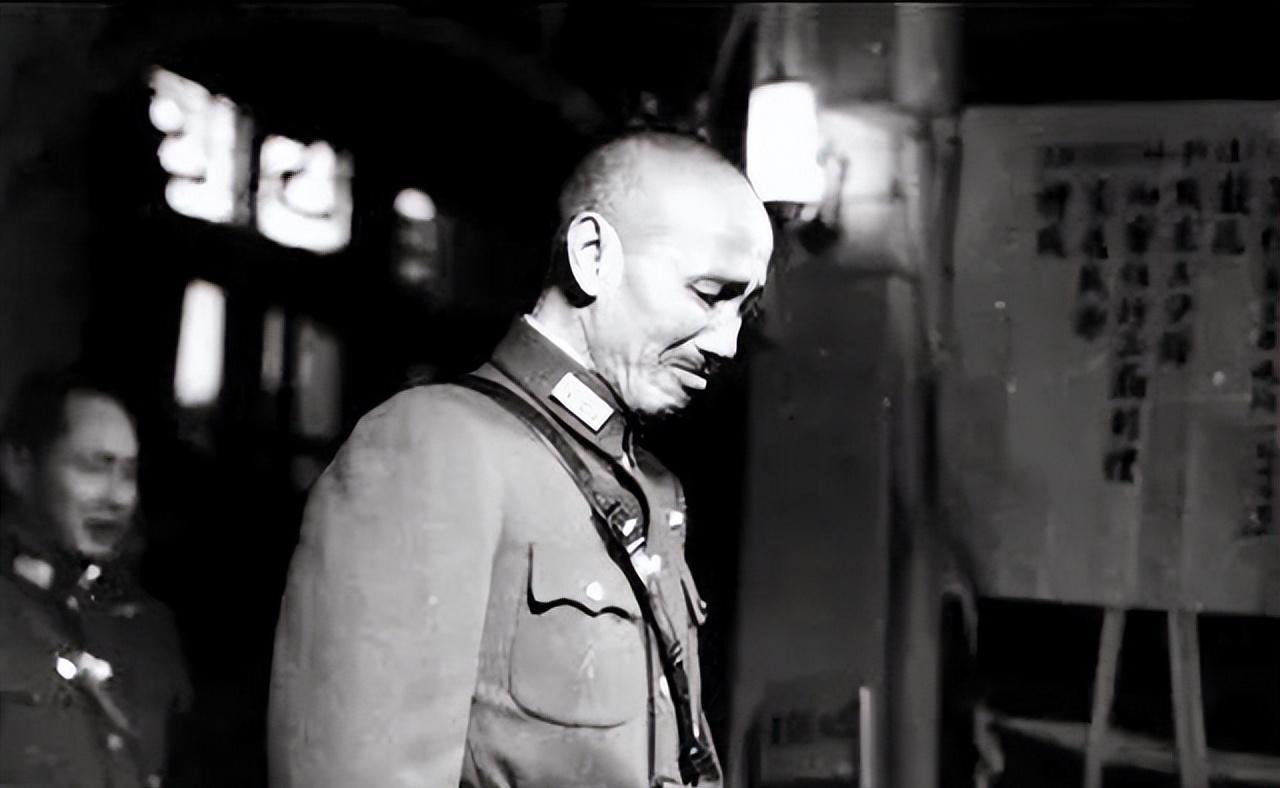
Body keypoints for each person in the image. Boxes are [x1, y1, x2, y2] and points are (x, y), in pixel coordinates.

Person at [268, 130, 774, 787]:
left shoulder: (648, 488)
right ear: (592, 255)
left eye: (745, 310)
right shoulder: (436, 446)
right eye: (708, 294)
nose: (727, 343)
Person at [0, 368, 192, 788]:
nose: (118, 497)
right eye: (94, 467)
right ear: (19, 465)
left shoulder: (148, 627)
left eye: (128, 473)